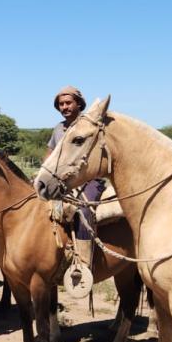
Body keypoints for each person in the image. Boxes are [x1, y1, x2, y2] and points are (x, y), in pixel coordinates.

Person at [46, 86, 101, 269]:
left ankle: (83, 262)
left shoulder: (88, 126)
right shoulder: (58, 129)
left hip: (88, 179)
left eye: (68, 102)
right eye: (61, 104)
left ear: (79, 104)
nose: (64, 107)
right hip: (62, 181)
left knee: (84, 209)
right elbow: (50, 155)